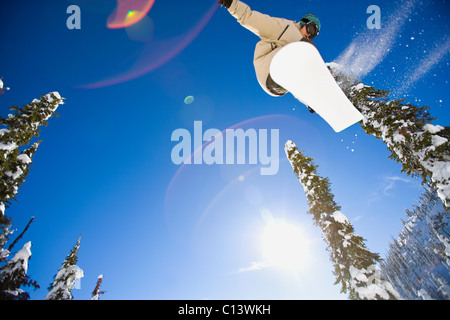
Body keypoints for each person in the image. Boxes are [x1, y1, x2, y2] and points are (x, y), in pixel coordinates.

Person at [218, 0, 321, 98]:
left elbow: (297, 83)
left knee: (304, 68)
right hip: (268, 67)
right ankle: (320, 71)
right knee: (305, 48)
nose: (309, 34)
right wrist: (232, 4)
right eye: (310, 29)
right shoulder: (284, 27)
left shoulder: (302, 47)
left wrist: (310, 103)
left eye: (313, 35)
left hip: (277, 87)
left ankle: (320, 87)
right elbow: (249, 18)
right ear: (304, 22)